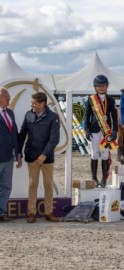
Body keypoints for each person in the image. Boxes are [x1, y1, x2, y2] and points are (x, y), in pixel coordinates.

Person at [18, 92, 60, 223]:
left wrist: (44, 154)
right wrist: (19, 152)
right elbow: (22, 135)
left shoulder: (53, 117)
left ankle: (49, 212)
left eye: (34, 103)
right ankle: (31, 213)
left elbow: (54, 139)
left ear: (42, 104)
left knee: (48, 185)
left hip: (47, 158)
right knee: (32, 185)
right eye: (32, 102)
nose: (32, 105)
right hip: (31, 156)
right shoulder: (28, 114)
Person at [84, 75, 118, 188]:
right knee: (94, 154)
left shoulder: (111, 100)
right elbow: (86, 116)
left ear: (106, 86)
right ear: (95, 87)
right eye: (99, 86)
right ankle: (94, 177)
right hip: (94, 130)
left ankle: (104, 178)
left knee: (104, 155)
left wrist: (115, 131)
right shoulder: (91, 99)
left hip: (106, 132)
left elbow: (114, 116)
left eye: (103, 85)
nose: (101, 88)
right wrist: (86, 130)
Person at [0, 87, 22, 222]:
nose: (9, 99)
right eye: (7, 96)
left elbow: (14, 134)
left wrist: (18, 153)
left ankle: (2, 213)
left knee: (7, 186)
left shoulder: (10, 113)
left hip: (9, 157)